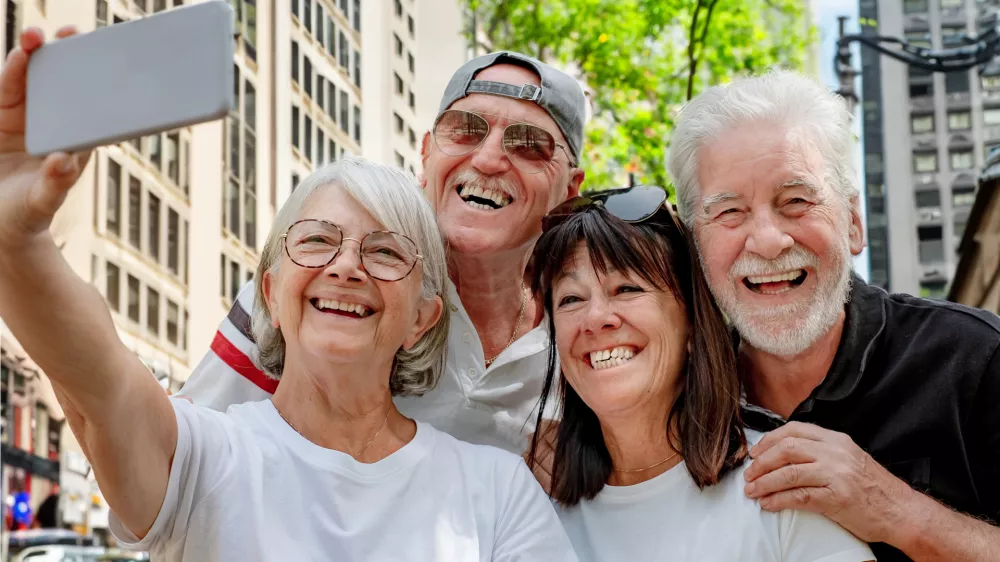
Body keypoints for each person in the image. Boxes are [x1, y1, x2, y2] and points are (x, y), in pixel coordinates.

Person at [0, 27, 577, 561]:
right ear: (269, 294)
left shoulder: (505, 483)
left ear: (424, 316)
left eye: (384, 251)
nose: (346, 266)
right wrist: (15, 240)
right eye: (318, 241)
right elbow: (101, 382)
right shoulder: (210, 458)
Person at [180, 50, 587, 454]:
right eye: (465, 130)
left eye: (530, 145)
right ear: (426, 155)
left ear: (569, 191)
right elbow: (176, 471)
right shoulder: (317, 290)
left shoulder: (589, 330)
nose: (488, 159)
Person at [666, 69, 1000, 561]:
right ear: (694, 245)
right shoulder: (673, 398)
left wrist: (897, 510)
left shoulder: (975, 358)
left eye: (796, 201)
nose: (768, 240)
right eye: (729, 212)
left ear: (854, 222)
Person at [524, 185, 873, 561]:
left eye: (626, 288)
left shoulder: (782, 486)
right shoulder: (532, 510)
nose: (595, 319)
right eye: (571, 299)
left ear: (692, 322)